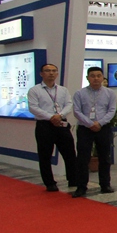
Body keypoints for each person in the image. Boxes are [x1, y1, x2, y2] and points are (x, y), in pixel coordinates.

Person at [27, 63, 77, 192]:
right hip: (44, 125)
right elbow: (33, 107)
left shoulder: (63, 90)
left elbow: (69, 104)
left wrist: (59, 116)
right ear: (41, 73)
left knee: (70, 153)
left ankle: (73, 179)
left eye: (54, 71)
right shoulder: (34, 90)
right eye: (48, 70)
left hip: (61, 124)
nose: (51, 73)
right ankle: (50, 183)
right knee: (45, 156)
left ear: (57, 73)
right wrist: (51, 117)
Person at [71, 66, 117, 197]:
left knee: (105, 157)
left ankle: (105, 185)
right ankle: (81, 187)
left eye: (98, 76)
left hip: (103, 128)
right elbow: (77, 111)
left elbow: (112, 110)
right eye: (92, 76)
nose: (96, 78)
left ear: (102, 77)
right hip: (85, 128)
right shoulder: (79, 93)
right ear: (87, 78)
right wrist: (90, 123)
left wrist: (100, 123)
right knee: (83, 158)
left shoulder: (109, 93)